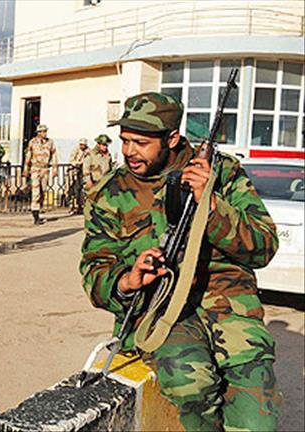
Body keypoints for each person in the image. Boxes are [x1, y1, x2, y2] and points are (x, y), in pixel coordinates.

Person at [80, 92, 280, 431]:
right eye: (125, 140)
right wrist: (127, 280)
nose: (129, 151)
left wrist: (211, 205)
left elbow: (263, 246)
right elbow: (94, 269)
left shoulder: (222, 173)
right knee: (189, 382)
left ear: (172, 139)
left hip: (230, 307)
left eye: (141, 143)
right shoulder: (109, 194)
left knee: (257, 419)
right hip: (160, 313)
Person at [24, 124, 58, 224]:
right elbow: (28, 155)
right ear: (38, 133)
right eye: (43, 131)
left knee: (43, 191)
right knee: (36, 192)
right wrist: (26, 169)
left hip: (45, 169)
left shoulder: (50, 142)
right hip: (35, 169)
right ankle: (35, 215)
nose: (45, 133)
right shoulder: (32, 142)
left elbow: (54, 155)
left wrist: (55, 169)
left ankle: (38, 210)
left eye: (45, 131)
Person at [67, 138, 89, 214]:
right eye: (81, 145)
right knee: (72, 189)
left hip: (82, 173)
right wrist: (78, 163)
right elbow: (71, 160)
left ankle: (80, 206)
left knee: (81, 190)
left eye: (84, 145)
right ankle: (71, 206)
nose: (83, 146)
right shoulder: (75, 150)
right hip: (73, 171)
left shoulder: (88, 151)